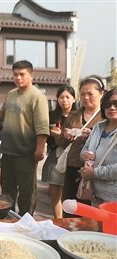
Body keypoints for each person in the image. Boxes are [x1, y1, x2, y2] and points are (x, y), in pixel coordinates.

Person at [0, 60, 49, 216]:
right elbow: (4, 117)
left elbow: (42, 126)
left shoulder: (37, 97)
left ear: (31, 75)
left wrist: (39, 150)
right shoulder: (11, 94)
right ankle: (9, 218)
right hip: (8, 151)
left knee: (27, 190)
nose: (18, 77)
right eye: (15, 74)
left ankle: (25, 220)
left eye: (22, 74)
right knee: (7, 189)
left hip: (26, 152)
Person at [55, 75, 104, 217]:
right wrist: (65, 136)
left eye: (90, 94)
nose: (86, 97)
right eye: (82, 94)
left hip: (95, 168)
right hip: (74, 165)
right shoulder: (73, 115)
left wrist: (92, 136)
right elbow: (62, 143)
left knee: (91, 206)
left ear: (101, 94)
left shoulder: (106, 116)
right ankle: (68, 233)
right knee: (70, 203)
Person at [42, 85, 76, 218]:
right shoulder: (51, 116)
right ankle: (58, 220)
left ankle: (70, 220)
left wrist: (60, 135)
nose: (64, 100)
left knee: (71, 192)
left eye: (68, 97)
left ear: (74, 99)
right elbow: (47, 139)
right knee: (55, 191)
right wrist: (53, 136)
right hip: (55, 155)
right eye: (61, 97)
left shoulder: (78, 116)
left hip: (73, 157)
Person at [80, 88, 117, 206]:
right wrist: (84, 154)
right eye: (108, 104)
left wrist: (95, 173)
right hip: (94, 193)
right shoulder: (98, 127)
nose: (112, 107)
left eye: (116, 104)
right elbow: (84, 150)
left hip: (113, 197)